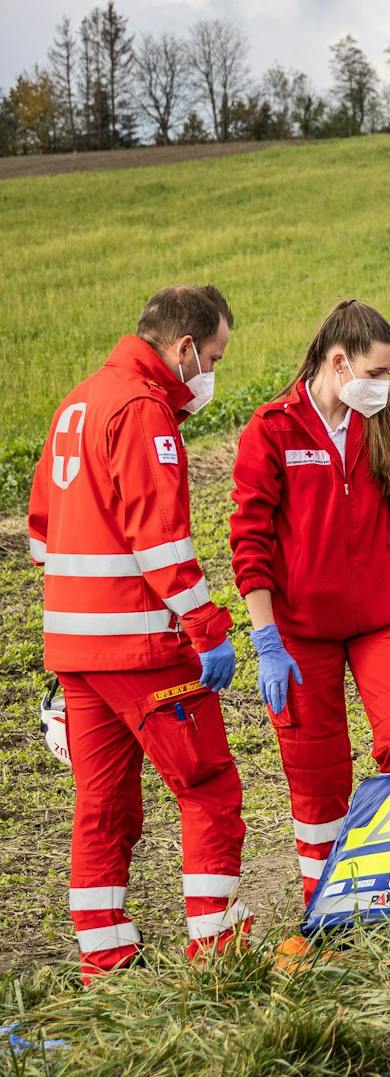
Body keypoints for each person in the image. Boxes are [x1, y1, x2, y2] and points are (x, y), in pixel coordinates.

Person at [27, 284, 249, 983]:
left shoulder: (77, 402)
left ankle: (107, 964)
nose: (210, 372)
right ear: (184, 347)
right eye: (212, 356)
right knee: (209, 786)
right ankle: (217, 952)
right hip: (143, 647)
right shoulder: (144, 410)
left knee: (103, 806)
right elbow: (161, 544)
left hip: (74, 652)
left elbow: (40, 533)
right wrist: (208, 627)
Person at [228, 300, 390, 905]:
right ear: (338, 362)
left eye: (388, 375)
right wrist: (266, 639)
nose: (384, 386)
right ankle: (325, 900)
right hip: (300, 635)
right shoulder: (273, 430)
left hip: (381, 622)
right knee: (316, 776)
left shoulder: (386, 423)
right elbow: (249, 542)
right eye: (376, 374)